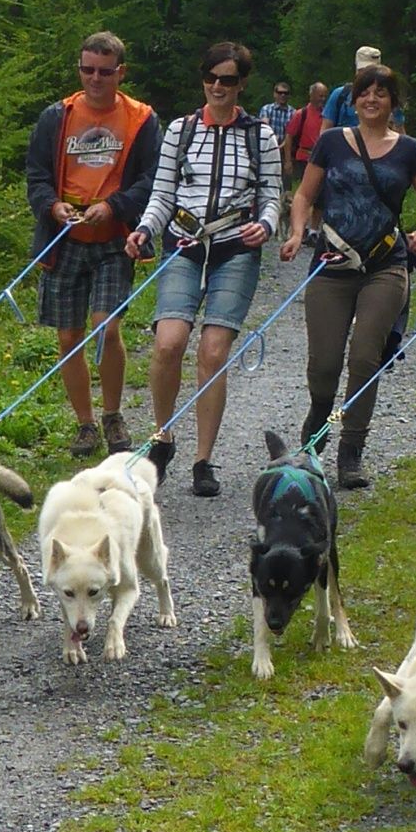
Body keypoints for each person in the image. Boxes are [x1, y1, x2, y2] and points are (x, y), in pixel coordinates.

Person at [126, 41, 284, 497]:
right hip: (185, 241)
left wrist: (267, 225)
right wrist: (144, 231)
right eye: (211, 77)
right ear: (203, 80)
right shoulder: (181, 129)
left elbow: (273, 193)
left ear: (242, 85)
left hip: (236, 246)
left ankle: (204, 459)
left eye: (228, 80)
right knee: (169, 341)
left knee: (214, 351)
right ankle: (163, 436)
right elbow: (162, 193)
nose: (218, 86)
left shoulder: (261, 136)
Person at [281, 62, 416, 489]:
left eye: (381, 93)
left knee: (364, 358)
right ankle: (318, 420)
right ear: (353, 100)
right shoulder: (332, 143)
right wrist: (299, 231)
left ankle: (351, 451)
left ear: (393, 101)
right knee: (325, 362)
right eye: (364, 93)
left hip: (385, 265)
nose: (371, 100)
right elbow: (304, 193)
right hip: (332, 264)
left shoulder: (408, 149)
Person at [26, 30, 162, 458]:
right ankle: (84, 424)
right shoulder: (56, 116)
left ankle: (113, 414)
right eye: (88, 70)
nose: (95, 79)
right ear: (79, 69)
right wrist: (52, 207)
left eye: (105, 72)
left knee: (107, 327)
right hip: (65, 237)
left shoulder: (142, 119)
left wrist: (116, 206)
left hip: (114, 237)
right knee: (69, 336)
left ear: (121, 72)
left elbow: (151, 179)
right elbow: (37, 177)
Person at [284, 81, 327, 182]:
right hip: (304, 159)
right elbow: (289, 136)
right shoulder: (301, 114)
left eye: (325, 96)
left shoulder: (327, 115)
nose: (323, 99)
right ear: (312, 96)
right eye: (320, 96)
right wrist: (288, 161)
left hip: (321, 160)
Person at [258, 80, 294, 154]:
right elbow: (265, 128)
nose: (283, 95)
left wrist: (281, 146)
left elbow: (291, 134)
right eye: (280, 93)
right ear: (274, 94)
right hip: (267, 148)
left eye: (286, 93)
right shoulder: (267, 109)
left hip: (285, 151)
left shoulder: (293, 113)